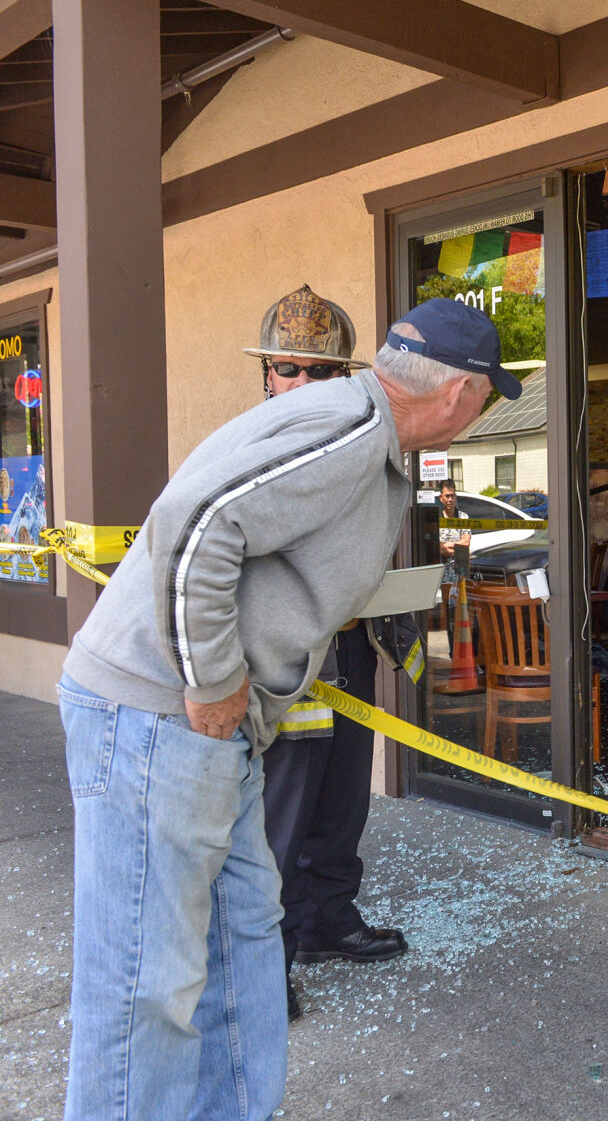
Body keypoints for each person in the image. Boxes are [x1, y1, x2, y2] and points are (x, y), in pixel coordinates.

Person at [58, 297, 520, 1120]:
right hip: (156, 717)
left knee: (240, 952)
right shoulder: (348, 428)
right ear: (459, 394)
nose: (476, 414)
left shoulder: (356, 429)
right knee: (146, 979)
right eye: (484, 399)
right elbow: (193, 527)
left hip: (211, 734)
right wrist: (211, 682)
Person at [244, 286, 406, 1026]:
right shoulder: (247, 449)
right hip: (286, 661)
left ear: (344, 377)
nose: (301, 384)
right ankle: (262, 967)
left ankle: (327, 922)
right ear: (267, 375)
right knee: (278, 820)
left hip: (352, 648)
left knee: (341, 804)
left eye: (320, 371)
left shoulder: (362, 448)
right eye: (288, 369)